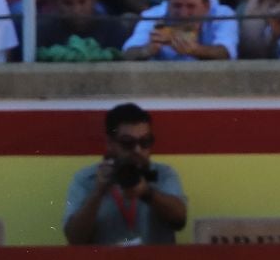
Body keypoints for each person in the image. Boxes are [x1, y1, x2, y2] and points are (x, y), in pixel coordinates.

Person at [63, 101, 188, 245]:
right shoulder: (86, 179)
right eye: (128, 143)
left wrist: (147, 193)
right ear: (110, 143)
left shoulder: (163, 174)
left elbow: (180, 220)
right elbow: (74, 239)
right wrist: (98, 193)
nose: (138, 150)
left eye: (145, 142)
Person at [124, 0, 237, 56]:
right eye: (177, 6)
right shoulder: (153, 15)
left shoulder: (224, 14)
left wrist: (196, 50)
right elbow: (128, 53)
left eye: (191, 6)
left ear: (206, 5)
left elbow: (226, 52)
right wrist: (146, 50)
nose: (183, 14)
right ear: (168, 3)